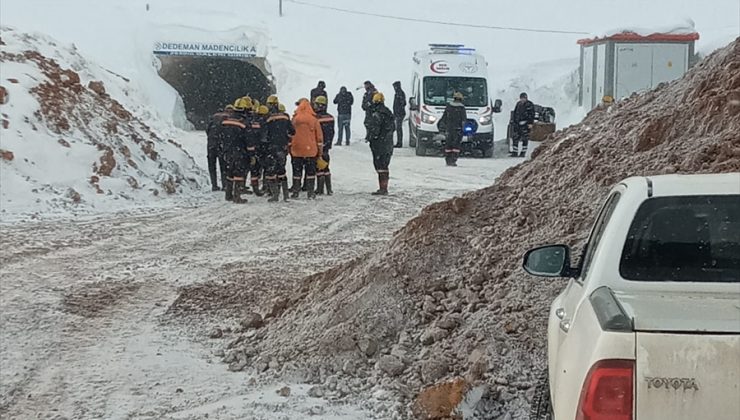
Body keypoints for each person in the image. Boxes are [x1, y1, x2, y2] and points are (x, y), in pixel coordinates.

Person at [290, 99, 323, 199]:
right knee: (310, 172)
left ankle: (296, 191)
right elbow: (319, 137)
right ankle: (310, 192)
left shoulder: (295, 119)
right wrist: (320, 152)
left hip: (296, 150)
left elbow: (289, 134)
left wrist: (289, 148)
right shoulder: (314, 119)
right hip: (311, 151)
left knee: (297, 172)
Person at [221, 97, 253, 203]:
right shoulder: (244, 122)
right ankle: (237, 196)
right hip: (240, 152)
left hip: (227, 150)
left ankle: (228, 194)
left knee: (230, 172)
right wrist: (251, 154)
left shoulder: (226, 120)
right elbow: (249, 140)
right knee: (239, 173)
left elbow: (221, 135)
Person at [264, 101, 295, 202]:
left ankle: (275, 194)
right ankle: (286, 195)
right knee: (282, 170)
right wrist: (286, 138)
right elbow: (293, 131)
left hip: (272, 148)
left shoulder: (268, 119)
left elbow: (265, 135)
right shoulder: (286, 118)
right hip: (282, 147)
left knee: (271, 171)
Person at [366, 92, 395, 196]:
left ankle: (382, 188)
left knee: (380, 166)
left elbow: (375, 130)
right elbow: (393, 128)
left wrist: (370, 138)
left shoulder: (376, 114)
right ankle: (384, 187)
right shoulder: (389, 113)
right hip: (388, 144)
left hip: (379, 145)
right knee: (385, 166)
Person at [205, 104, 232, 191]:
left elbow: (207, 130)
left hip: (211, 144)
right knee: (223, 165)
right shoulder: (227, 119)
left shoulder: (214, 118)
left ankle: (214, 185)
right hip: (221, 144)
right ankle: (224, 185)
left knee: (212, 165)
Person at [313, 96, 335, 195]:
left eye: (316, 104)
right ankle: (329, 189)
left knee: (319, 167)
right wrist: (328, 143)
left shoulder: (316, 118)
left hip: (319, 145)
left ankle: (320, 189)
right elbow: (332, 132)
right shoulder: (330, 117)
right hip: (327, 145)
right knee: (326, 167)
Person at [438, 92, 466, 166]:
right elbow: (463, 120)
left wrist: (441, 127)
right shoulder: (462, 108)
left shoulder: (449, 107)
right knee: (456, 145)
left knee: (448, 144)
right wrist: (463, 129)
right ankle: (453, 160)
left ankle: (448, 159)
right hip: (458, 129)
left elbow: (444, 118)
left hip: (449, 129)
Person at [511, 92, 535, 158]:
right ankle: (515, 152)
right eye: (521, 98)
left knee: (525, 138)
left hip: (526, 124)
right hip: (518, 124)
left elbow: (532, 115)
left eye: (524, 98)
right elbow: (515, 113)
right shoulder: (518, 104)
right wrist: (514, 122)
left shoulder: (530, 105)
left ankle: (523, 152)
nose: (522, 100)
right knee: (515, 138)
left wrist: (530, 123)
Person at [392, 81, 407, 148]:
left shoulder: (400, 93)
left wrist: (398, 111)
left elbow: (403, 103)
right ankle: (398, 142)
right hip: (397, 113)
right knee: (397, 128)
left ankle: (399, 142)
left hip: (399, 113)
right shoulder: (398, 93)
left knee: (398, 128)